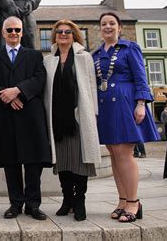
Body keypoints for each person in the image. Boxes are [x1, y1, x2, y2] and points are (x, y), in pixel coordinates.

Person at [92, 12, 160, 223]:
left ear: (119, 27)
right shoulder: (95, 54)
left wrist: (141, 103)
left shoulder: (130, 48)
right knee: (113, 153)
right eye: (104, 24)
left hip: (125, 103)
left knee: (124, 153)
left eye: (112, 23)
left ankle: (134, 202)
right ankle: (122, 201)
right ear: (100, 29)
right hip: (105, 106)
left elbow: (141, 76)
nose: (108, 27)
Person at [0, 16, 52, 220]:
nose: (13, 33)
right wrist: (8, 98)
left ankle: (33, 204)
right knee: (10, 162)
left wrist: (17, 91)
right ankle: (15, 204)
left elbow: (39, 79)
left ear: (22, 32)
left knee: (33, 163)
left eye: (17, 29)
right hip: (5, 115)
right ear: (3, 33)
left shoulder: (34, 56)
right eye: (10, 30)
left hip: (30, 115)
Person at [43, 19, 100, 221]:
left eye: (68, 31)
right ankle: (67, 199)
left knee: (79, 162)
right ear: (55, 35)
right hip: (57, 119)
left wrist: (92, 113)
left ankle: (80, 201)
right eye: (59, 31)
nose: (63, 34)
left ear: (74, 35)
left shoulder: (84, 58)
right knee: (63, 162)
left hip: (78, 117)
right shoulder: (49, 60)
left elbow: (91, 86)